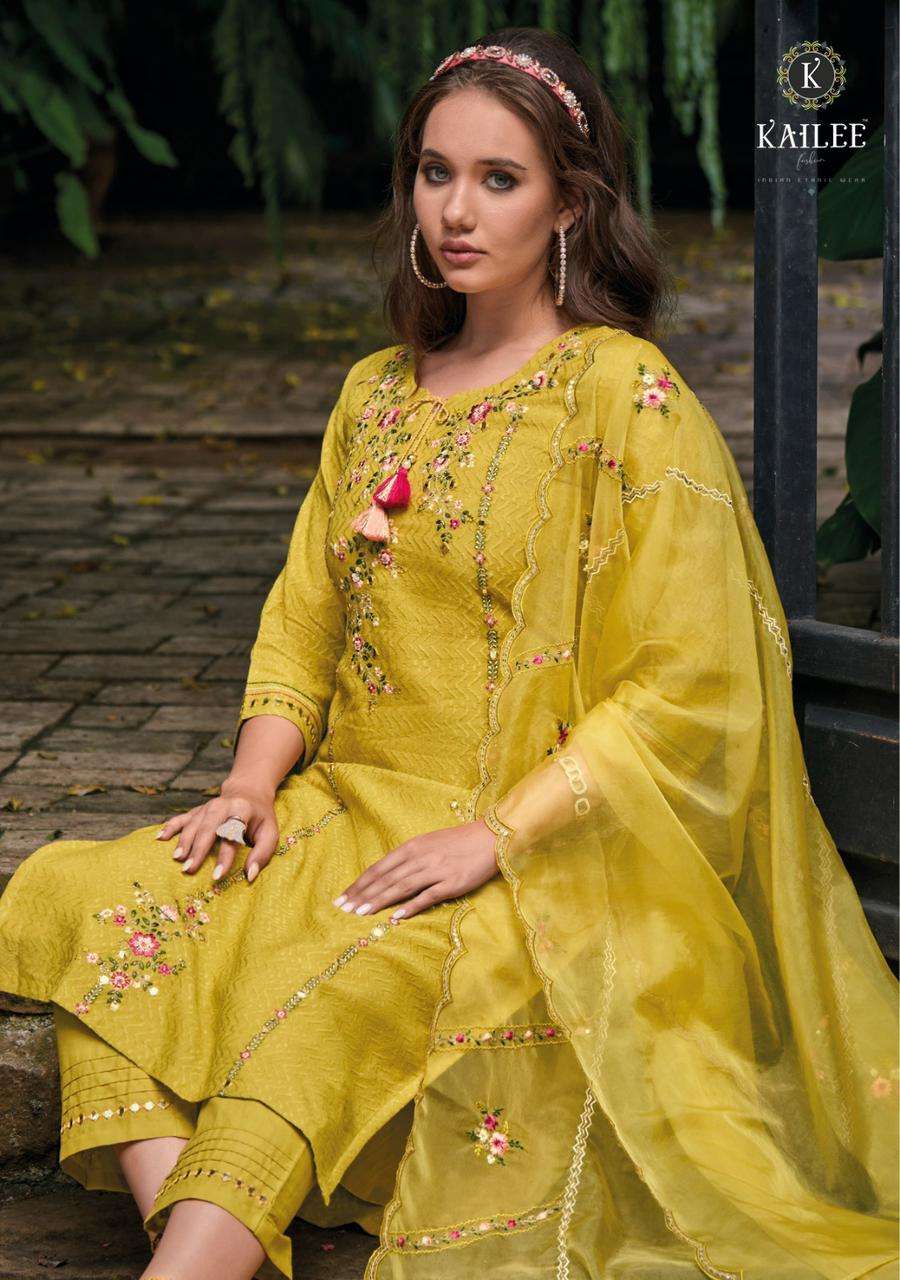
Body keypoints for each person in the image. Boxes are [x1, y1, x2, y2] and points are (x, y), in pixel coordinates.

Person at [0, 25, 897, 1280]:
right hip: (342, 808)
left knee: (335, 998)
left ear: (570, 203)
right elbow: (305, 613)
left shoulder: (621, 394)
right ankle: (204, 1236)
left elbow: (688, 679)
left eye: (498, 178)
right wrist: (251, 783)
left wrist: (499, 834)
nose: (456, 211)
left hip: (532, 849)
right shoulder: (376, 391)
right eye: (435, 172)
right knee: (87, 903)